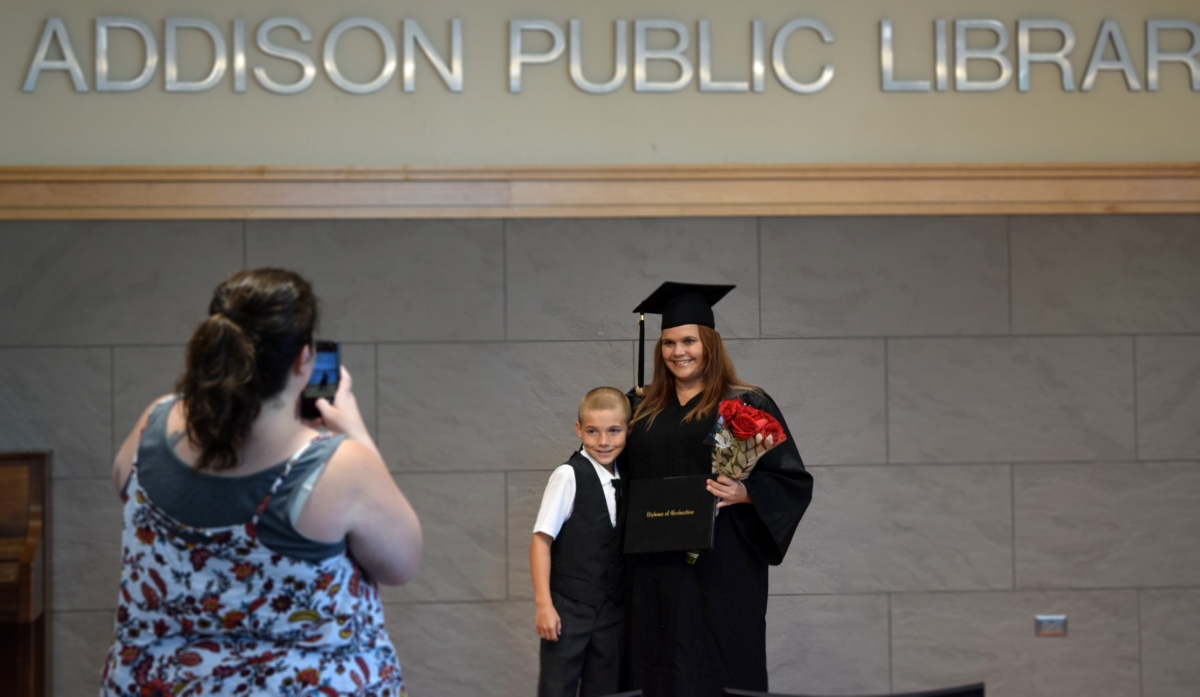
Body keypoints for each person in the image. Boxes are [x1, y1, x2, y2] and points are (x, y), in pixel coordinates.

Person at [103, 268, 421, 696]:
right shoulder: (340, 466)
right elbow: (402, 563)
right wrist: (355, 433)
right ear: (303, 360)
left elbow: (125, 486)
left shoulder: (154, 421)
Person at [624, 282, 813, 697]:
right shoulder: (639, 408)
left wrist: (745, 493)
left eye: (689, 341)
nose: (678, 351)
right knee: (655, 661)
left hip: (723, 565)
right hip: (653, 568)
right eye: (669, 342)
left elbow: (790, 479)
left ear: (709, 344)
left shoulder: (747, 405)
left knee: (719, 659)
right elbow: (608, 468)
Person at [530, 387, 630, 697]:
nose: (604, 441)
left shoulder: (626, 476)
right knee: (557, 689)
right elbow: (540, 541)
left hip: (611, 613)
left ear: (628, 429)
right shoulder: (568, 476)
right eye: (592, 431)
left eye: (614, 431)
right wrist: (544, 605)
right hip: (568, 611)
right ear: (579, 430)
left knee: (606, 689)